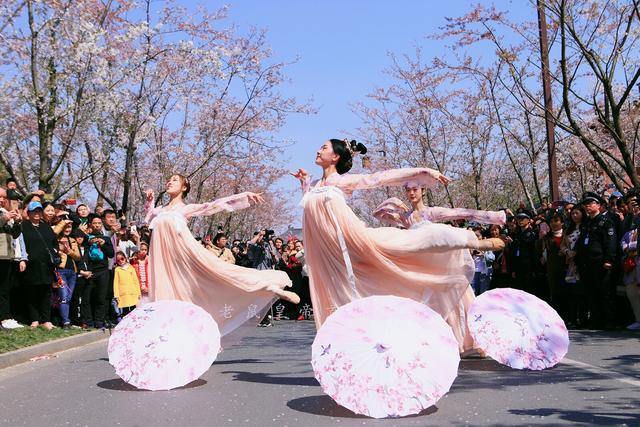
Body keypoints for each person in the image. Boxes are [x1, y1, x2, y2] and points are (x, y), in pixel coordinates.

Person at [291, 138, 504, 343]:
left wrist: (421, 171)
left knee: (408, 241)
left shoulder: (342, 182)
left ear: (335, 156)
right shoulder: (317, 185)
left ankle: (471, 241)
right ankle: (355, 335)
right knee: (350, 284)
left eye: (323, 147)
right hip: (332, 251)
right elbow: (309, 206)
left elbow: (382, 177)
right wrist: (305, 183)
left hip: (354, 238)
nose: (318, 150)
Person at [143, 174, 298, 344]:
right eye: (169, 179)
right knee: (171, 294)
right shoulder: (160, 211)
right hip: (164, 264)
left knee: (220, 273)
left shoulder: (185, 209)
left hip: (185, 256)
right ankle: (170, 337)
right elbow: (149, 218)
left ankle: (268, 286)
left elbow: (214, 205)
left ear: (184, 187)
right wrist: (149, 202)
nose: (169, 182)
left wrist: (243, 196)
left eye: (174, 180)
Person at [372, 182, 505, 352]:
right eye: (408, 190)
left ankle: (479, 339)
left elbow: (461, 213)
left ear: (423, 190)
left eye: (415, 189)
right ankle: (439, 341)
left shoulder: (431, 212)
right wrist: (394, 203)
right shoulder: (406, 217)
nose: (411, 193)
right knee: (427, 301)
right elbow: (378, 213)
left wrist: (496, 217)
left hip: (443, 264)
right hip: (425, 267)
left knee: (461, 299)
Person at [576, 192, 617, 329]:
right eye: (585, 204)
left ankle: (609, 321)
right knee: (591, 293)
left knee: (604, 292)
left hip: (600, 262)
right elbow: (581, 244)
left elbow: (610, 242)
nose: (587, 206)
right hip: (587, 264)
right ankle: (596, 320)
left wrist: (609, 260)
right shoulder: (586, 224)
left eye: (590, 203)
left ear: (598, 205)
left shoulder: (606, 222)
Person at [20, 201, 58, 330]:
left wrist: (55, 254)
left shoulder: (46, 227)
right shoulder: (23, 226)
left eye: (39, 211)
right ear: (29, 213)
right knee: (31, 293)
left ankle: (46, 320)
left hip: (46, 266)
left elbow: (54, 243)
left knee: (45, 293)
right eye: (34, 211)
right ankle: (34, 319)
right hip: (30, 265)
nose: (37, 214)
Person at [80, 214, 115, 329]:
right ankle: (88, 321)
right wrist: (88, 242)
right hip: (90, 271)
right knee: (87, 297)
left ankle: (99, 320)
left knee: (101, 297)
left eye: (99, 223)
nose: (97, 225)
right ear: (91, 224)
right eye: (95, 223)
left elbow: (111, 254)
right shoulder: (85, 238)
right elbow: (81, 252)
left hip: (103, 270)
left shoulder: (106, 238)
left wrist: (103, 245)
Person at [0, 187, 27, 329]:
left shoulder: (5, 213)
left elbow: (14, 235)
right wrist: (5, 218)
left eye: (4, 197)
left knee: (4, 288)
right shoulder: (3, 215)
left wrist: (17, 222)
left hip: (6, 256)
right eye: (0, 196)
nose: (2, 199)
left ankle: (5, 317)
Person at [56, 220, 81, 328]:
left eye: (69, 227)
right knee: (64, 296)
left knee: (69, 297)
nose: (67, 229)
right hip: (61, 271)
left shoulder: (72, 240)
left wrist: (69, 251)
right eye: (65, 227)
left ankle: (66, 319)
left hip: (72, 272)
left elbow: (78, 257)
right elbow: (54, 232)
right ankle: (65, 321)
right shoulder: (55, 238)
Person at [113, 251, 141, 317]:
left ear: (125, 258)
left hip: (132, 293)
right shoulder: (117, 270)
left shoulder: (131, 268)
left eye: (122, 259)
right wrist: (116, 295)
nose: (120, 261)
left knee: (133, 311)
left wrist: (138, 292)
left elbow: (135, 281)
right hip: (123, 294)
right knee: (125, 312)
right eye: (118, 260)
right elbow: (115, 283)